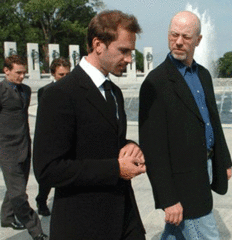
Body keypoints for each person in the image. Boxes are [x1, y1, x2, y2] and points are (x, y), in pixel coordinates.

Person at [33, 10, 146, 240]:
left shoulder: (114, 92)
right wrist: (116, 169)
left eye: (131, 52)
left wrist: (129, 145)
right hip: (84, 225)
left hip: (124, 219)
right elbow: (47, 170)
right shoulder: (60, 95)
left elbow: (100, 139)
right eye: (123, 50)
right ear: (98, 44)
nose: (128, 59)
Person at [139, 11, 232, 239]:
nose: (178, 42)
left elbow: (212, 123)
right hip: (181, 178)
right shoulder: (156, 82)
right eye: (174, 35)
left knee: (176, 232)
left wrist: (224, 161)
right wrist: (168, 199)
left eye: (186, 37)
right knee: (206, 232)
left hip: (206, 166)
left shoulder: (204, 75)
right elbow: (153, 148)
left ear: (199, 40)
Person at [0, 55, 48, 240]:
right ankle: (36, 232)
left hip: (25, 146)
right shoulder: (1, 91)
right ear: (6, 71)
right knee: (19, 195)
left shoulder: (26, 91)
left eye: (24, 73)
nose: (22, 76)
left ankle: (6, 217)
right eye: (18, 72)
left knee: (17, 187)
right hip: (6, 149)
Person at [35, 57, 71, 216]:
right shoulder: (45, 91)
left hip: (69, 137)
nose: (65, 78)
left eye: (67, 74)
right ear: (53, 74)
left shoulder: (74, 89)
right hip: (52, 138)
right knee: (48, 174)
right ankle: (42, 200)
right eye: (61, 75)